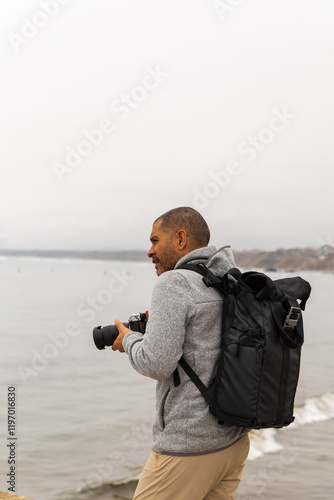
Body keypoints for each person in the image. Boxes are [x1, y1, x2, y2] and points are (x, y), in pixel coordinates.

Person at [112, 207, 250, 500]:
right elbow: (207, 339)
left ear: (180, 238)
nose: (150, 251)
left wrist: (128, 340)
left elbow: (157, 363)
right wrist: (157, 329)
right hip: (232, 442)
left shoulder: (173, 282)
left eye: (154, 240)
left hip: (189, 449)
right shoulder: (226, 278)